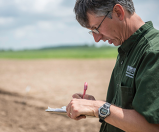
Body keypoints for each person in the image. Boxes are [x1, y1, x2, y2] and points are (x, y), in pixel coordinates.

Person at [66, 0, 159, 131]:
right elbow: (126, 109)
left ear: (118, 12)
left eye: (96, 28)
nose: (96, 39)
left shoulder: (153, 53)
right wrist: (91, 105)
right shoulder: (127, 48)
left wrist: (97, 108)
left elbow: (152, 127)